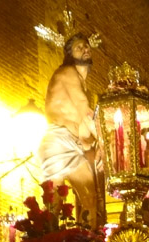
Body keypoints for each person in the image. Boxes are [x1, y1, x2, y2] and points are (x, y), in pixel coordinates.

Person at [39, 33, 103, 227]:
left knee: (90, 196)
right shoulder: (67, 72)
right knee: (55, 202)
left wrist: (96, 144)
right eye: (79, 47)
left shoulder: (80, 80)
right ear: (69, 54)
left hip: (72, 143)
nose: (85, 49)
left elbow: (83, 133)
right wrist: (103, 139)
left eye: (86, 46)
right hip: (57, 141)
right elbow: (84, 108)